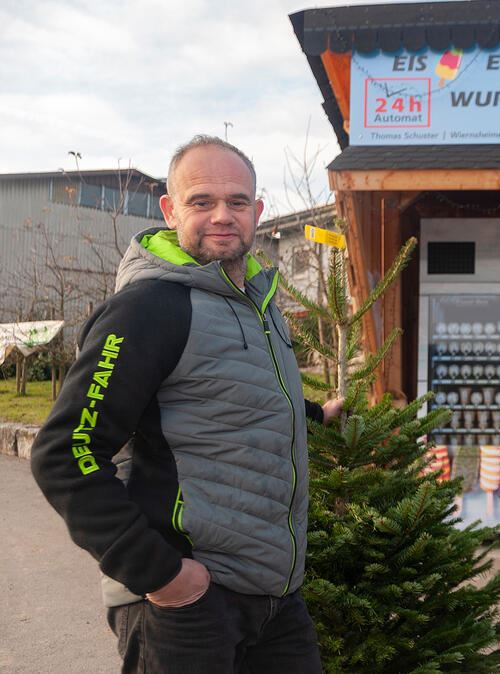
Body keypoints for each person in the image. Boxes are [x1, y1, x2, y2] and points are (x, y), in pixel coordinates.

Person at [30, 135, 342, 673]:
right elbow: (64, 451)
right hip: (188, 605)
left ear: (258, 212)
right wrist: (162, 575)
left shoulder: (259, 306)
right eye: (202, 201)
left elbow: (228, 394)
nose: (222, 215)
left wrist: (314, 414)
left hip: (274, 596)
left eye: (237, 202)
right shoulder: (149, 308)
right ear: (171, 211)